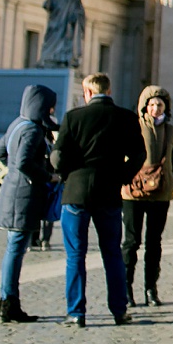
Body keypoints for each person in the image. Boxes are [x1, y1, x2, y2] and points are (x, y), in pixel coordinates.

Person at [51, 73, 144, 327]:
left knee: (75, 255)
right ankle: (119, 310)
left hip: (77, 192)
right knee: (112, 253)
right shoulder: (125, 117)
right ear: (109, 90)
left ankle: (76, 312)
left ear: (87, 92)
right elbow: (139, 155)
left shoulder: (73, 117)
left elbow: (58, 156)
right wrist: (122, 177)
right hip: (109, 192)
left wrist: (67, 174)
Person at [0, 84, 58, 323]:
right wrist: (46, 176)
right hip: (24, 196)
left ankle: (8, 300)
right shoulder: (32, 130)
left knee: (14, 248)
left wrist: (13, 174)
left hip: (12, 191)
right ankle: (9, 302)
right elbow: (23, 162)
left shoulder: (17, 124)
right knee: (16, 250)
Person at [122, 85, 173, 306]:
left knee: (154, 243)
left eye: (160, 104)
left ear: (166, 107)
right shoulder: (132, 128)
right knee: (131, 242)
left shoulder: (172, 132)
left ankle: (151, 288)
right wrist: (124, 179)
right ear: (144, 107)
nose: (156, 108)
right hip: (133, 193)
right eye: (152, 104)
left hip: (161, 194)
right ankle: (126, 289)